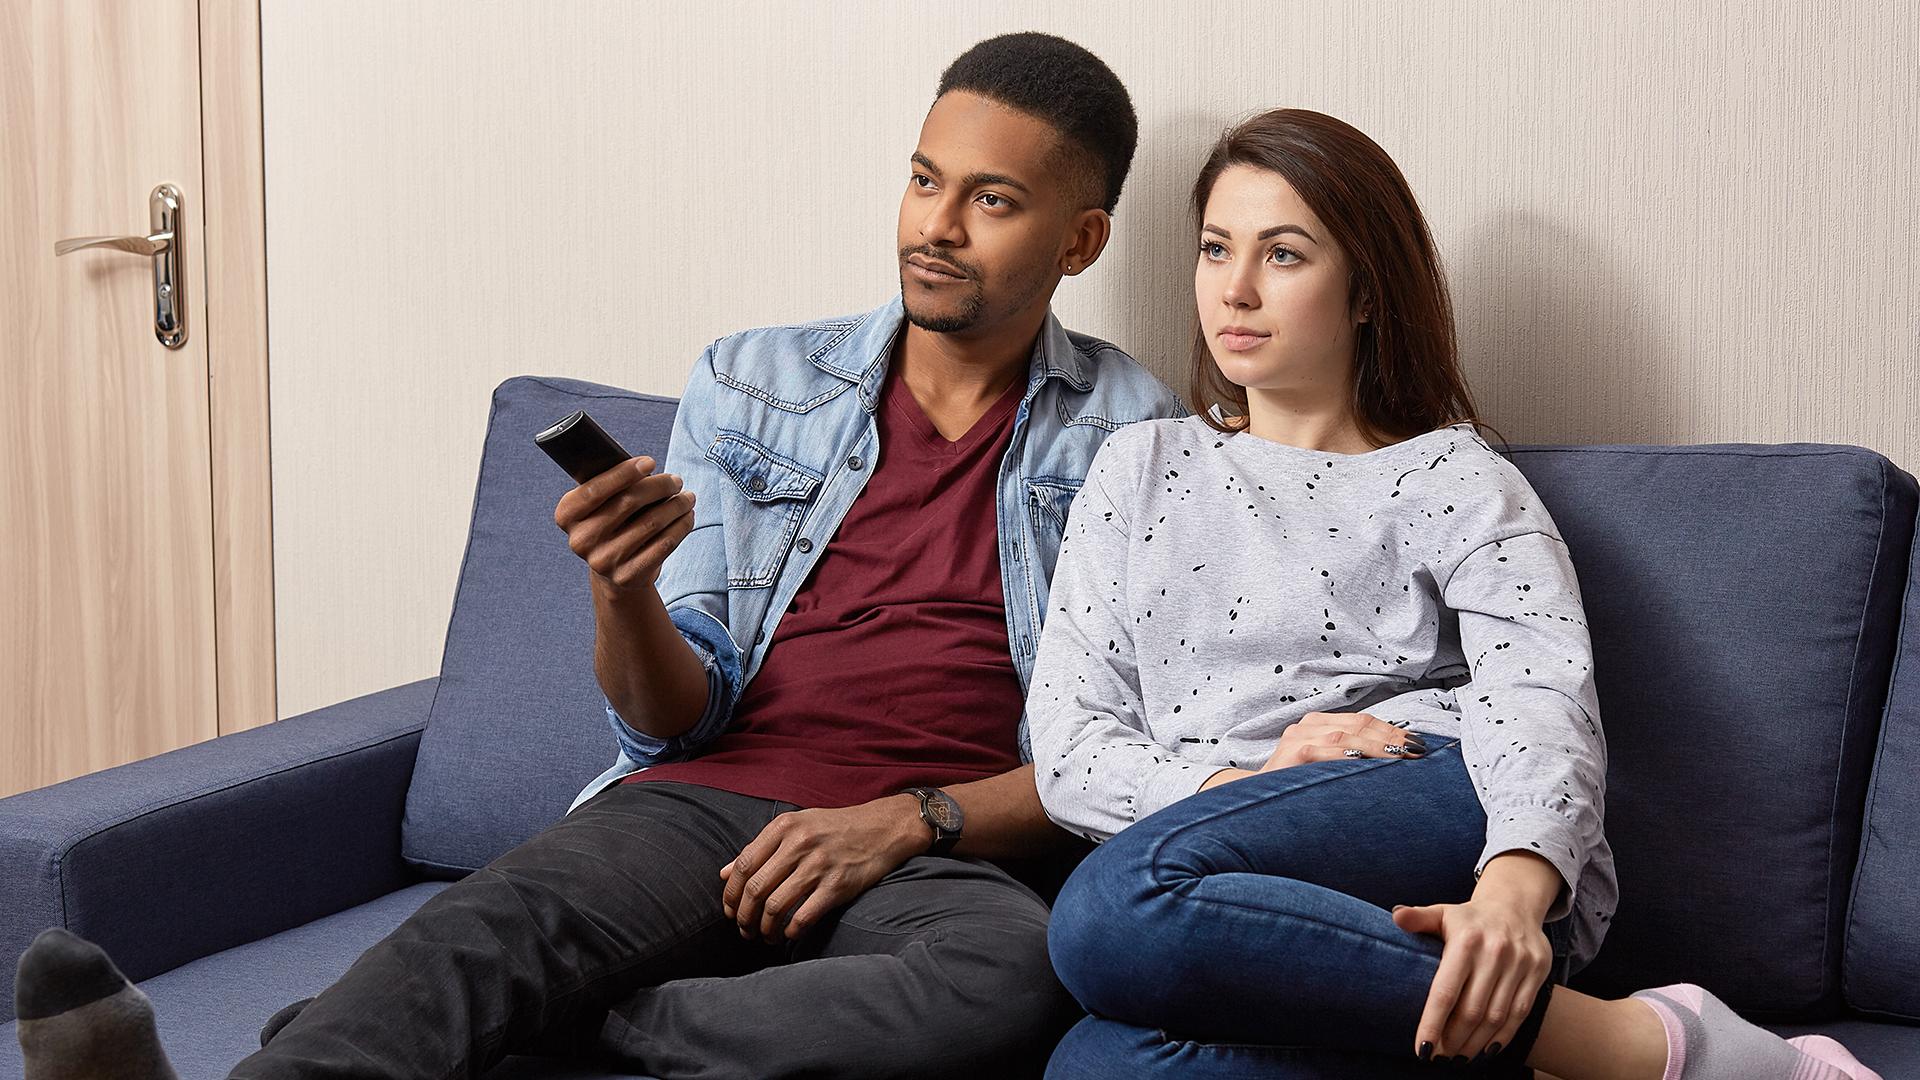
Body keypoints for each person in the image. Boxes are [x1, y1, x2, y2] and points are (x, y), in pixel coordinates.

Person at [12, 32, 1181, 1080]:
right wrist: (621, 590)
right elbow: (671, 719)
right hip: (705, 804)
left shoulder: (1141, 439)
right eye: (925, 180)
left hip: (933, 853)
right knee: (493, 925)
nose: (935, 224)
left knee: (1013, 986)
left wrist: (910, 818)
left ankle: (556, 1021)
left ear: (1080, 240)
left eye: (992, 201)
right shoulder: (757, 382)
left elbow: (1122, 759)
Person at [1027, 109, 1882, 1080]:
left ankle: (1642, 1047)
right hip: (1215, 845)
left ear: (1363, 293)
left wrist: (1517, 893)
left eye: (1285, 254)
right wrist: (1249, 784)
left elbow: (1540, 695)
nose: (1236, 287)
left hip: (1428, 789)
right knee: (1096, 1061)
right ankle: (1550, 1055)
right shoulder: (1139, 468)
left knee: (1107, 910)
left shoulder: (1449, 476)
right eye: (1217, 248)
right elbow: (1070, 745)